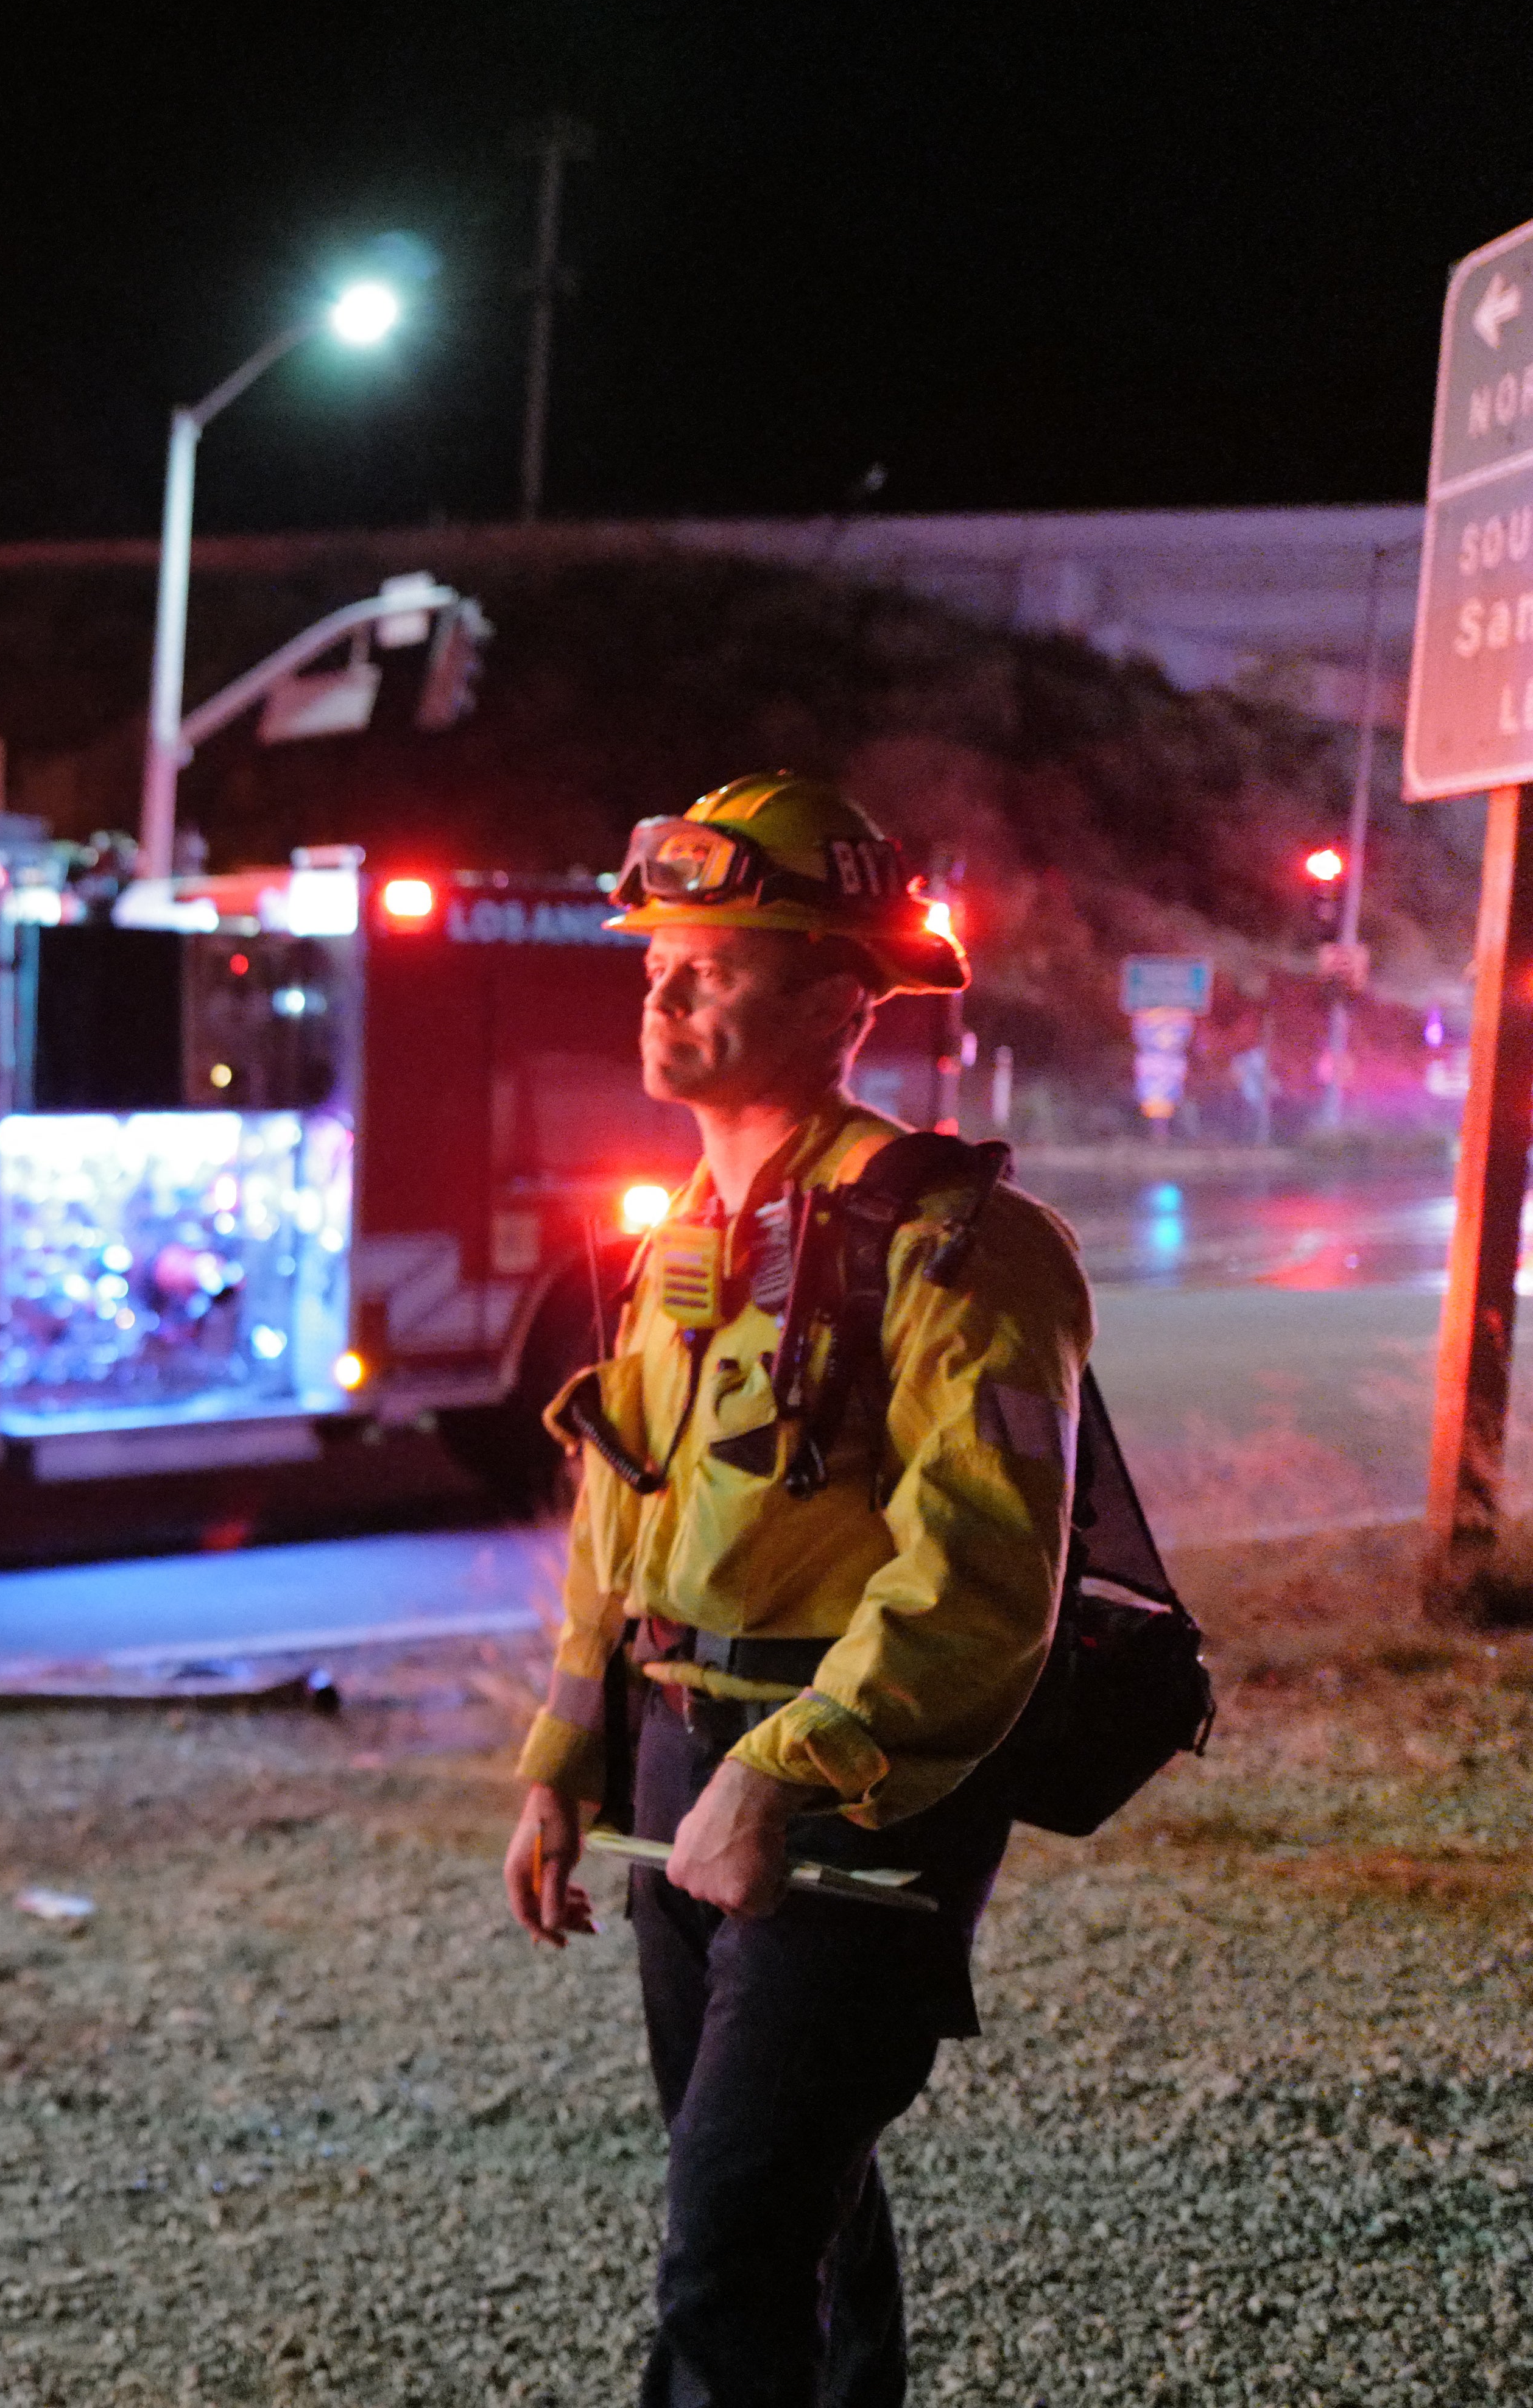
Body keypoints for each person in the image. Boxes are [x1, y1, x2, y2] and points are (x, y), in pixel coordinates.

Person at [501, 773, 1091, 2406]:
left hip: (848, 1793)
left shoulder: (968, 1246)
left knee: (728, 2248)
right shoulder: (686, 1231)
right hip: (683, 1764)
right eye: (658, 953)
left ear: (842, 996)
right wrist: (565, 1761)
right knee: (783, 2196)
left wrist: (790, 1769)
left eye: (721, 957)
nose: (665, 985)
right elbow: (619, 1530)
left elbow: (984, 1580)